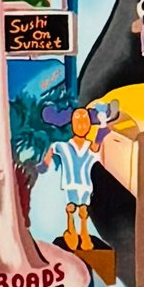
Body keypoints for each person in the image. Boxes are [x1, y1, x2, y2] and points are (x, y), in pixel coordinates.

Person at [44, 105, 101, 252]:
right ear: (72, 124)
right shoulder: (66, 147)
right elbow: (53, 148)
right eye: (78, 120)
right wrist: (45, 163)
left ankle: (84, 235)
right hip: (71, 184)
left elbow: (97, 146)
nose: (81, 125)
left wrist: (103, 124)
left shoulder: (90, 147)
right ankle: (71, 231)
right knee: (71, 207)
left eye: (85, 121)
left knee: (83, 209)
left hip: (85, 184)